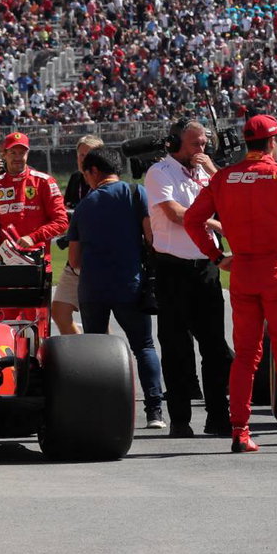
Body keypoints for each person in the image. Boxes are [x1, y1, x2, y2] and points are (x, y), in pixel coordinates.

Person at [183, 114, 277, 455]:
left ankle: (240, 432)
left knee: (245, 356)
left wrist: (216, 257)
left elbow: (192, 219)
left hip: (242, 270)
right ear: (272, 142)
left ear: (247, 142)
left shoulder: (224, 177)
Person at [143, 120, 233, 438]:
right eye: (196, 144)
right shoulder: (160, 172)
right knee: (177, 347)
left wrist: (212, 168)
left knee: (215, 347)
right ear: (175, 142)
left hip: (206, 266)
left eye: (205, 143)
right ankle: (180, 419)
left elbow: (234, 200)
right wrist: (215, 224)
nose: (201, 149)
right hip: (173, 268)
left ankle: (218, 415)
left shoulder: (207, 173)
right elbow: (174, 213)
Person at [67, 146, 165, 429]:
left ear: (94, 172)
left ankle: (101, 412)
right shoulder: (135, 194)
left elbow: (74, 258)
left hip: (93, 287)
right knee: (144, 345)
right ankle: (154, 410)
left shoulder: (84, 206)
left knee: (96, 353)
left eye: (86, 175)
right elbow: (151, 237)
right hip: (130, 283)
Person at [0, 131, 67, 329]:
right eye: (13, 153)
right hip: (7, 267)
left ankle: (38, 360)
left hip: (37, 265)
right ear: (4, 154)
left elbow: (61, 221)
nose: (18, 157)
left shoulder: (44, 182)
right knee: (6, 325)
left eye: (22, 152)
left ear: (28, 154)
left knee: (37, 325)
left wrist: (34, 237)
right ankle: (8, 360)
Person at [51, 134, 105, 336]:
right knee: (59, 311)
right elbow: (68, 212)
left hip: (96, 259)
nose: (84, 159)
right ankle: (83, 353)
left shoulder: (108, 182)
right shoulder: (76, 179)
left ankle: (106, 361)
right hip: (74, 258)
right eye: (81, 155)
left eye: (89, 155)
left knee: (96, 318)